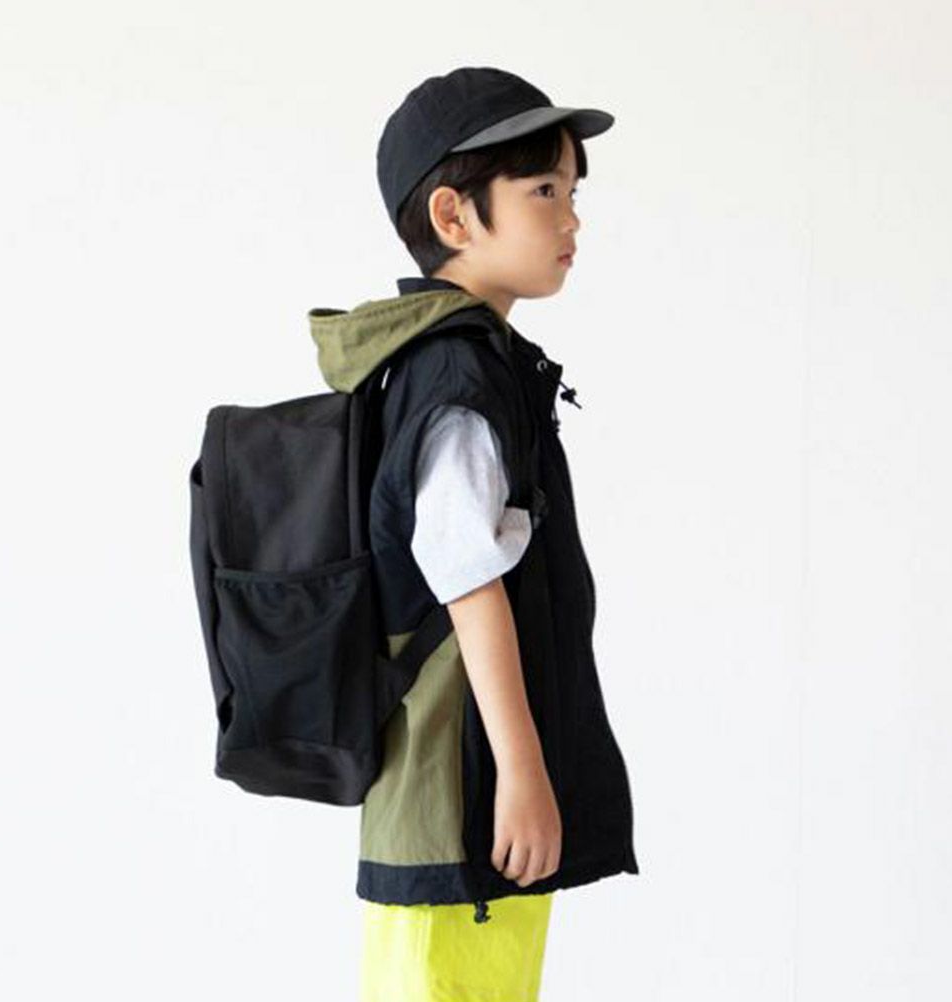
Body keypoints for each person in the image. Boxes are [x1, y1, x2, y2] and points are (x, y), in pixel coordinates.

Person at [307, 65, 638, 1002]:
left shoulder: (473, 363)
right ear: (454, 216)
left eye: (573, 192)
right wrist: (524, 775)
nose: (572, 219)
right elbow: (466, 579)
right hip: (463, 792)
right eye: (544, 191)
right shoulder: (455, 377)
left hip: (472, 791)